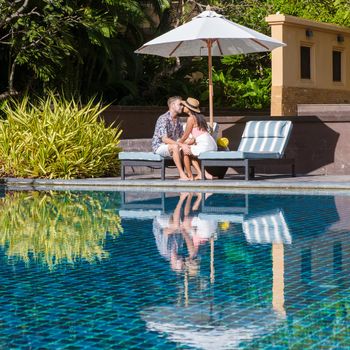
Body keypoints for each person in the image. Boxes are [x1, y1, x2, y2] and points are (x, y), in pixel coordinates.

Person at [177, 97, 217, 180]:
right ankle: (203, 174)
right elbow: (197, 137)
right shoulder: (200, 118)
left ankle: (190, 176)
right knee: (192, 153)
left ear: (188, 108)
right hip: (211, 143)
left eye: (184, 106)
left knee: (185, 151)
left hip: (205, 145)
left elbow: (185, 135)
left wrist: (178, 143)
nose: (183, 107)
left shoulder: (191, 118)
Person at [152, 96, 189, 180]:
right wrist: (181, 144)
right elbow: (164, 139)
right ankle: (182, 174)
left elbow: (181, 136)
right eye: (180, 104)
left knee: (188, 146)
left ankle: (196, 173)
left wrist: (192, 141)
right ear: (172, 105)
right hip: (159, 146)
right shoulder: (163, 118)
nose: (182, 107)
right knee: (175, 147)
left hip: (172, 145)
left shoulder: (178, 119)